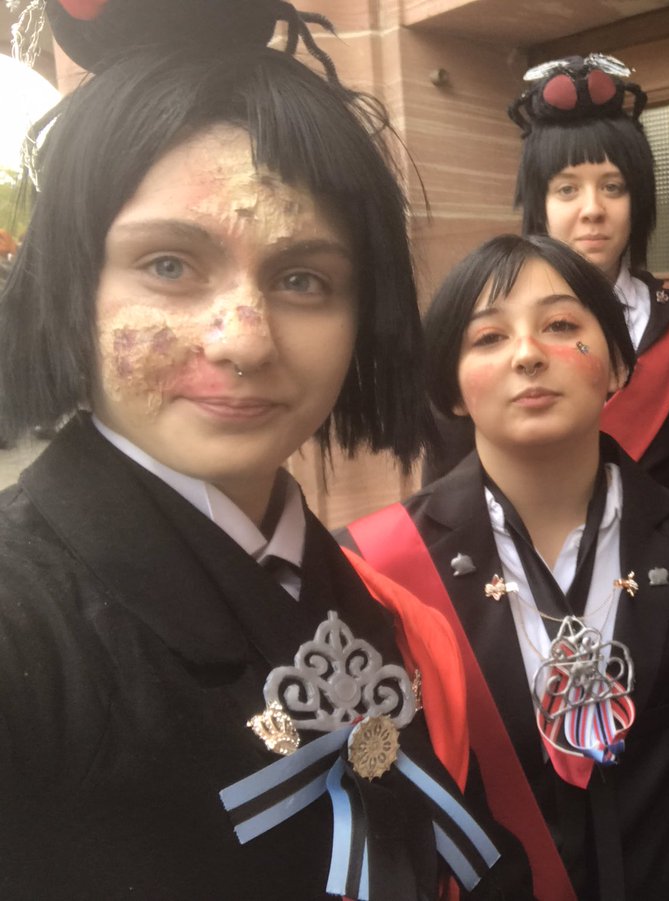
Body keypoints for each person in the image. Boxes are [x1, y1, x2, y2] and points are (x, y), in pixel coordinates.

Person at [0, 2, 530, 897]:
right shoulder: (26, 626)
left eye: (301, 279)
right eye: (170, 264)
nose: (244, 340)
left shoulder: (374, 602)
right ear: (70, 282)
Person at [342, 234, 669, 900]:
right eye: (488, 338)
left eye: (561, 326)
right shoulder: (376, 568)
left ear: (619, 364)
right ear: (448, 388)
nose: (528, 353)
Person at [424, 55, 669, 498]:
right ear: (539, 204)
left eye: (613, 187)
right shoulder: (480, 326)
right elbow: (448, 488)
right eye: (567, 189)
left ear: (637, 200)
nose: (592, 209)